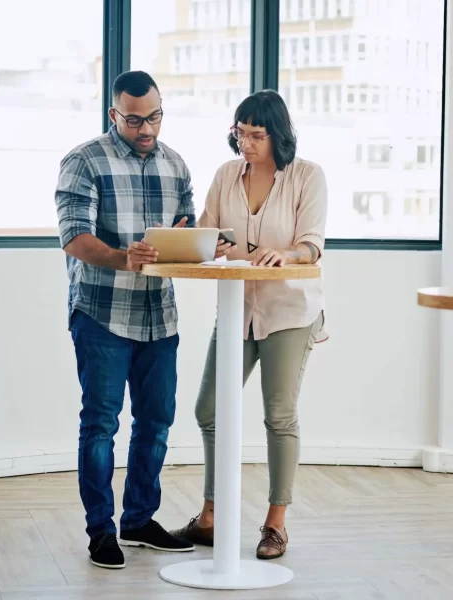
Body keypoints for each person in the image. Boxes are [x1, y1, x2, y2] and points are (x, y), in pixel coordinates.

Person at [54, 70, 212, 569]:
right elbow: (74, 238)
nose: (147, 129)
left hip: (159, 318)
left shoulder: (175, 164)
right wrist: (126, 257)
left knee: (156, 423)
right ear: (113, 114)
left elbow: (187, 228)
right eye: (135, 119)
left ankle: (139, 520)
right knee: (100, 425)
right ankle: (101, 531)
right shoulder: (84, 161)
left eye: (155, 117)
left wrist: (198, 244)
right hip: (102, 314)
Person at [171, 89, 328, 560]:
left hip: (289, 311)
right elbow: (207, 233)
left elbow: (312, 245)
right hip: (237, 309)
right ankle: (212, 517)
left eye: (256, 135)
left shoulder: (307, 177)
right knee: (210, 410)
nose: (246, 143)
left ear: (277, 134)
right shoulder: (225, 175)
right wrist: (199, 242)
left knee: (278, 415)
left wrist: (291, 253)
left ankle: (275, 523)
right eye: (240, 133)